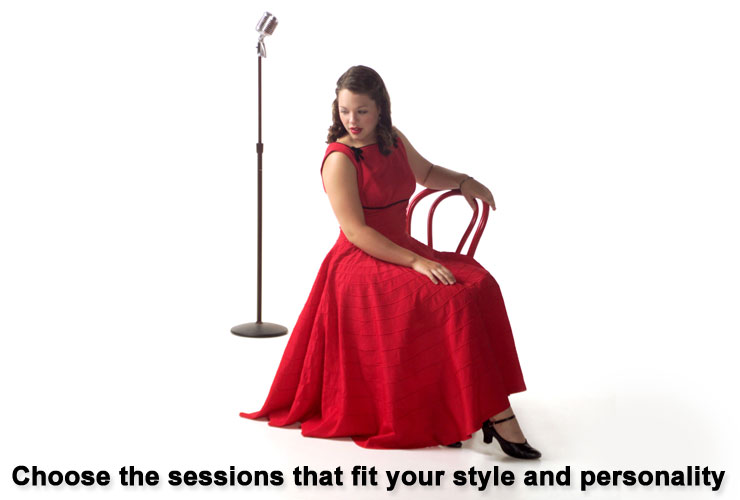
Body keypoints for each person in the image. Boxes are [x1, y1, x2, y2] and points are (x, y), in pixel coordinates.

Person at [241, 65, 541, 459]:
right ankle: (497, 414)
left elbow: (427, 173)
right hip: (360, 260)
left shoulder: (393, 140)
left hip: (399, 245)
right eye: (345, 111)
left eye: (362, 111)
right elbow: (356, 232)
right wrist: (415, 262)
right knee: (450, 299)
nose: (352, 120)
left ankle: (467, 404)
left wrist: (465, 180)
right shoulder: (340, 159)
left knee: (480, 285)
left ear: (381, 109)